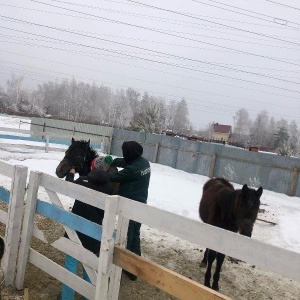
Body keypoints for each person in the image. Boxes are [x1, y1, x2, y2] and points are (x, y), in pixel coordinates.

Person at [58, 155, 114, 300]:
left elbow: (68, 189)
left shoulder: (83, 181)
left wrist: (70, 175)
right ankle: (87, 297)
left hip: (75, 230)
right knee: (89, 267)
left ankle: (67, 297)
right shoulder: (109, 187)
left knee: (71, 263)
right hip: (94, 234)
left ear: (93, 166)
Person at [109, 141, 151, 281]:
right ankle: (135, 270)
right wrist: (110, 160)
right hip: (141, 205)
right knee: (135, 236)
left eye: (124, 152)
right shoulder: (144, 162)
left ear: (129, 153)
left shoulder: (132, 170)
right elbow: (125, 162)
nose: (123, 155)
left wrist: (99, 172)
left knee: (127, 236)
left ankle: (125, 268)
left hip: (130, 206)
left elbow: (113, 177)